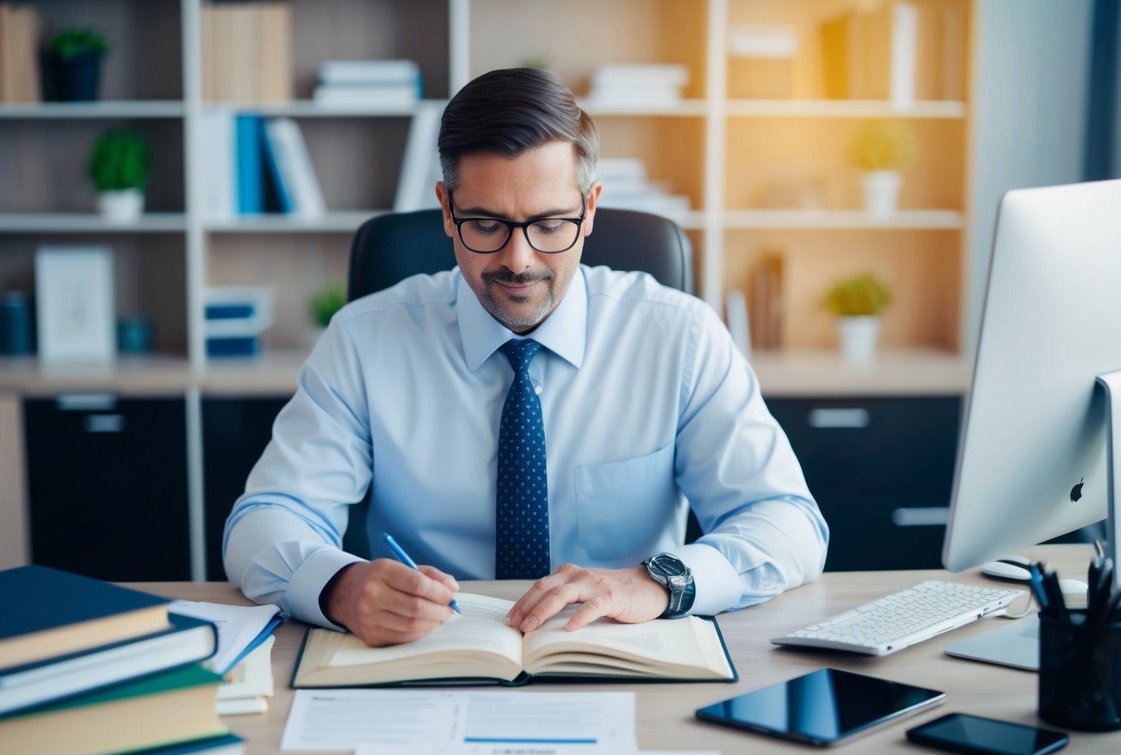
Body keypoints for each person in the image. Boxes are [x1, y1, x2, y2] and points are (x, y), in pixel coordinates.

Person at [224, 67, 828, 646]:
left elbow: (789, 523)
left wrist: (656, 581)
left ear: (590, 209)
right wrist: (339, 587)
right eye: (485, 223)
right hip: (430, 656)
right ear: (445, 208)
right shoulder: (364, 339)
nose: (518, 259)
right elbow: (264, 521)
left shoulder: (681, 336)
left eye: (549, 223)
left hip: (619, 653)